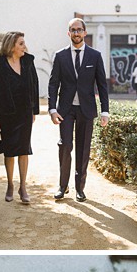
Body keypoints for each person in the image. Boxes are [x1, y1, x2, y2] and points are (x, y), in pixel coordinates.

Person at [48, 18, 110, 202]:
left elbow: (102, 85)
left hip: (86, 109)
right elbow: (53, 84)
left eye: (79, 30)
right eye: (73, 30)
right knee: (65, 146)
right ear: (69, 33)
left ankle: (80, 188)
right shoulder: (60, 56)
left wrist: (104, 111)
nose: (76, 33)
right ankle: (62, 185)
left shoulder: (95, 56)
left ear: (84, 32)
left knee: (83, 149)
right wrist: (52, 109)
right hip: (65, 110)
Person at [0, 30, 40, 205]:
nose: (25, 46)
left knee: (24, 150)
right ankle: (10, 185)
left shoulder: (28, 62)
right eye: (21, 43)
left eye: (24, 43)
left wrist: (34, 111)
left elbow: (35, 86)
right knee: (9, 151)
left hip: (24, 114)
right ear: (12, 46)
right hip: (6, 114)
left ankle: (23, 187)